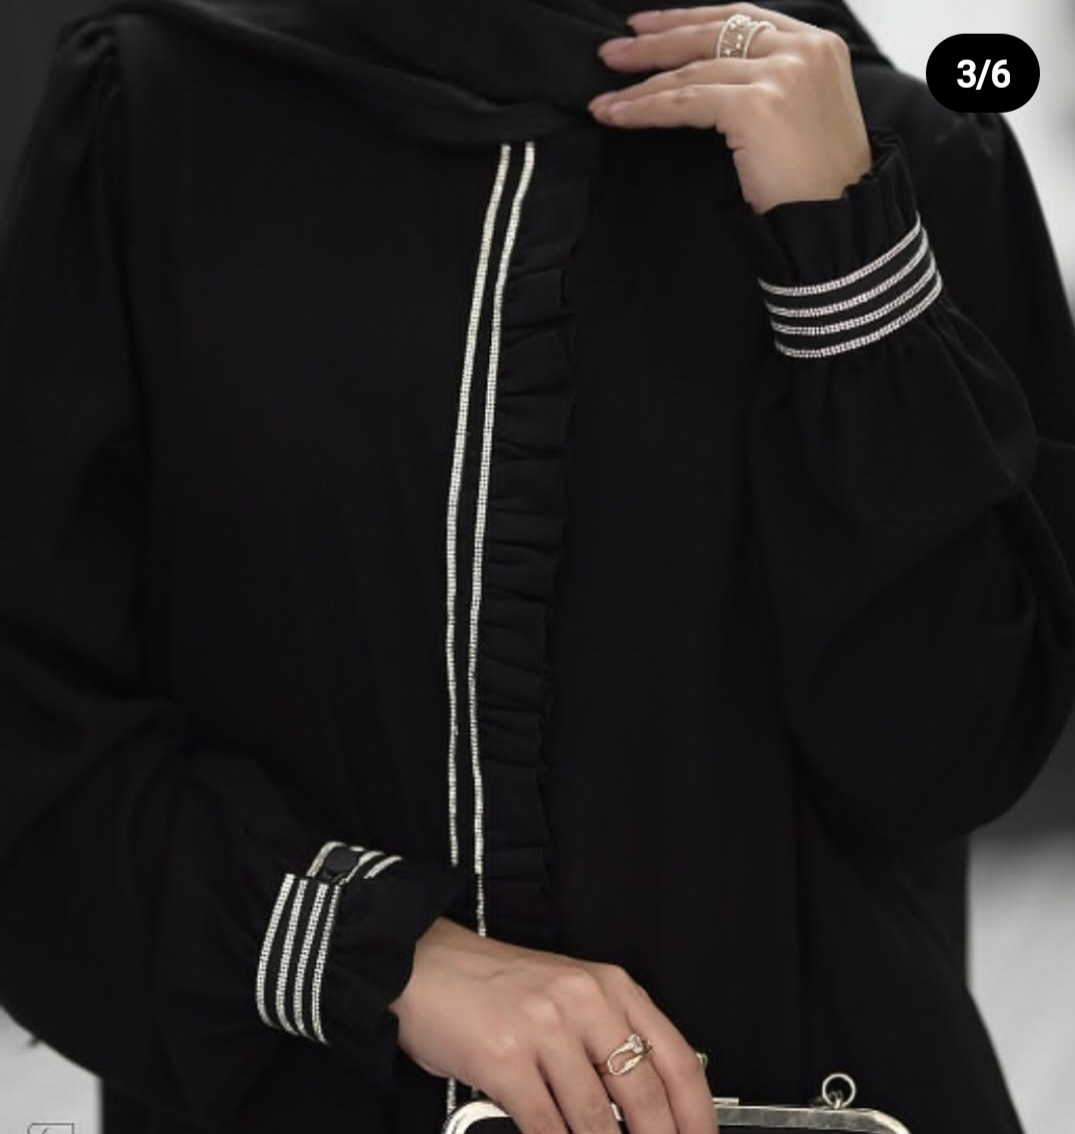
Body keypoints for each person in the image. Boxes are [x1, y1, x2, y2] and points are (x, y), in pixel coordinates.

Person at [1, 1, 1073, 1132]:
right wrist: (372, 952)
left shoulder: (882, 141)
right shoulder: (163, 104)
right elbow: (29, 715)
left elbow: (951, 757)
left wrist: (840, 249)